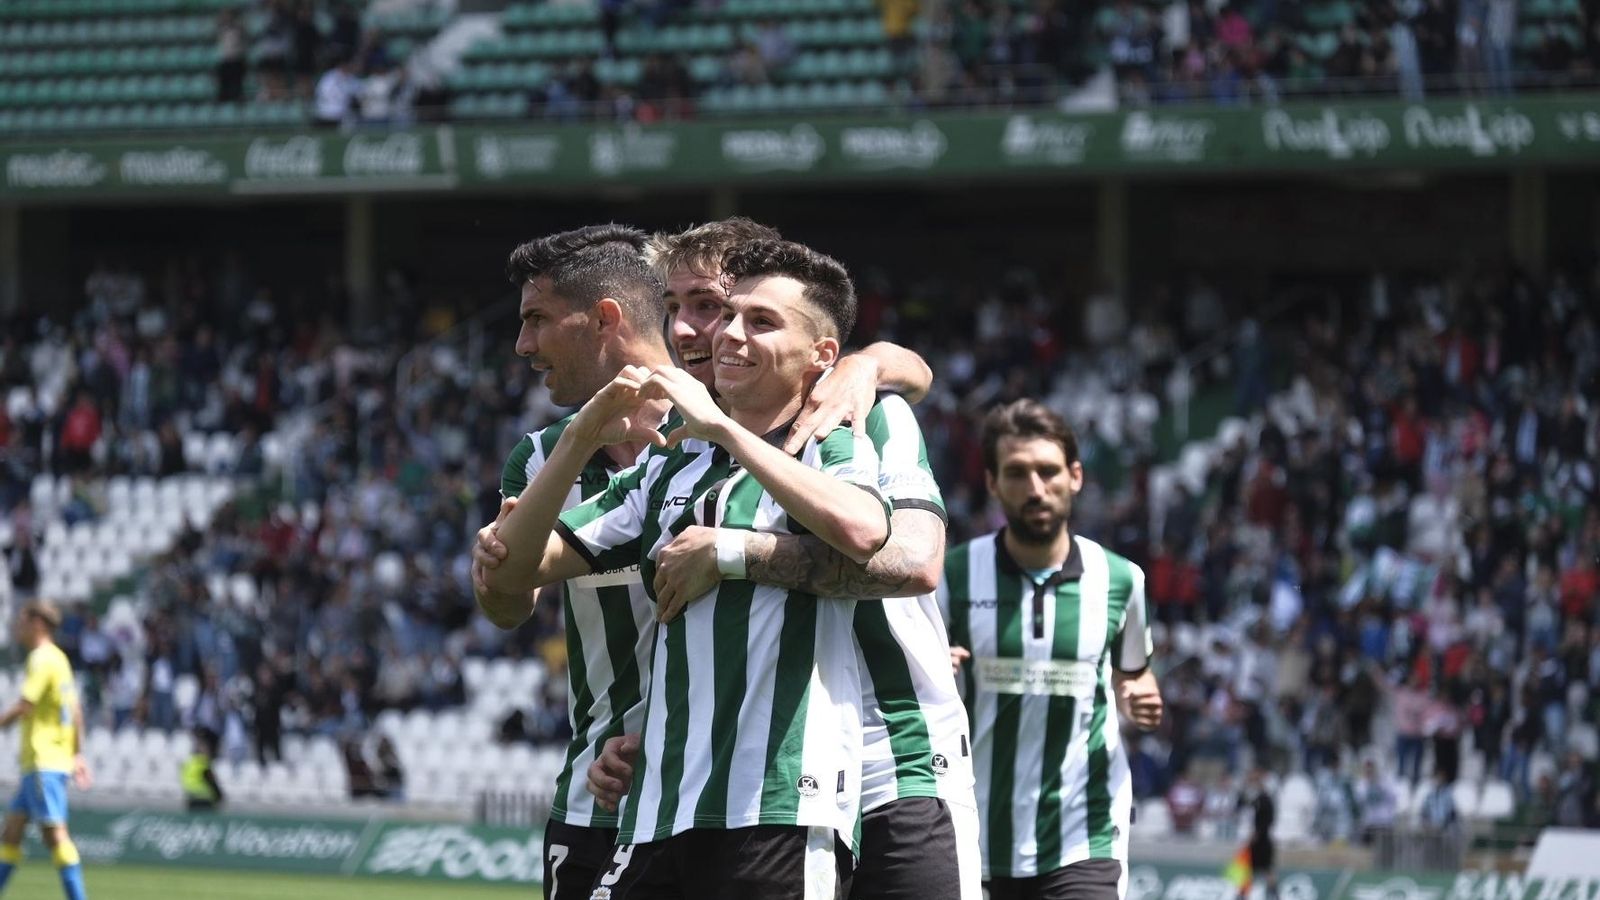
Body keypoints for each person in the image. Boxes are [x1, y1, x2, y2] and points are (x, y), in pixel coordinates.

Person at [484, 239, 891, 899]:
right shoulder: (672, 464)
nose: (726, 334)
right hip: (657, 807)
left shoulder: (833, 441)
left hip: (782, 802)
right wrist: (581, 438)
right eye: (726, 317)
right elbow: (517, 574)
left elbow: (868, 531)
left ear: (821, 356)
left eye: (758, 322)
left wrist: (728, 439)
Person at [589, 220, 979, 900]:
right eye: (674, 307)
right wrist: (648, 728)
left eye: (710, 305)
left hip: (893, 756)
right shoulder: (692, 452)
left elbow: (914, 562)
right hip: (756, 768)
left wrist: (735, 552)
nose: (692, 330)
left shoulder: (863, 417)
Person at [472, 224, 673, 900]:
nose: (523, 346)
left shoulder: (724, 436)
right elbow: (503, 605)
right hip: (595, 798)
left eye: (537, 320)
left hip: (712, 793)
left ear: (605, 319)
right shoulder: (539, 457)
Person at [941, 400, 1162, 900]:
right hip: (973, 832)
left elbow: (1134, 673)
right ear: (993, 484)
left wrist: (1139, 695)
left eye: (1048, 471)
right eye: (1017, 473)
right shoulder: (952, 577)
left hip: (1084, 834)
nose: (1036, 489)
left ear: (1076, 476)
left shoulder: (1121, 580)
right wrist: (931, 668)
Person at [0, 602, 91, 900]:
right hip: (44, 762)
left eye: (22, 620)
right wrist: (77, 754)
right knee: (11, 832)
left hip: (43, 760)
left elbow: (26, 704)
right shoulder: (60, 659)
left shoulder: (40, 659)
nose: (18, 626)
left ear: (38, 623)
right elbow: (76, 711)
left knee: (55, 835)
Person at [181, 728, 225, 812]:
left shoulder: (189, 763)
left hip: (191, 799)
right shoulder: (204, 765)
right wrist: (220, 797)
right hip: (205, 800)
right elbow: (213, 784)